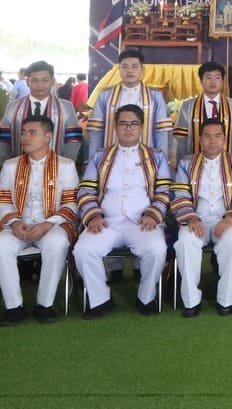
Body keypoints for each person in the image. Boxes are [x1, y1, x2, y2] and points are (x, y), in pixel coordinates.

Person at [73, 105, 172, 319]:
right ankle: (100, 299)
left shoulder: (156, 157)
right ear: (115, 127)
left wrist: (153, 213)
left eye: (134, 124)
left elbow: (164, 190)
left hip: (143, 222)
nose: (128, 128)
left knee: (157, 250)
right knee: (83, 250)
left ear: (142, 127)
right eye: (123, 124)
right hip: (107, 222)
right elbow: (86, 190)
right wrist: (94, 215)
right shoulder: (100, 157)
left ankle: (146, 297)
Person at [0, 112, 80, 326]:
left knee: (57, 244)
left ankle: (44, 305)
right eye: (23, 133)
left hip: (52, 225)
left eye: (32, 133)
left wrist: (48, 224)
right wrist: (14, 222)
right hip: (17, 226)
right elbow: (0, 201)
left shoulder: (66, 165)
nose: (26, 137)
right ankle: (14, 308)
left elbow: (71, 204)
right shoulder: (10, 165)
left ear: (48, 136)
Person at [170, 116, 232, 318]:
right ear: (200, 139)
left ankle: (225, 299)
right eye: (207, 136)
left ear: (225, 139)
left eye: (217, 136)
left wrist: (230, 218)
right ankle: (191, 301)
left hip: (227, 219)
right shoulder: (187, 163)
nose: (212, 141)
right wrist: (191, 218)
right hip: (195, 219)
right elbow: (179, 194)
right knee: (185, 242)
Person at [82, 47, 173, 162]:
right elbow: (97, 130)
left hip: (145, 160)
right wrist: (93, 161)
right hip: (110, 159)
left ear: (142, 69)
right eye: (125, 67)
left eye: (134, 66)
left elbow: (161, 132)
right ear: (119, 69)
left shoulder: (155, 95)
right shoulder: (105, 95)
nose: (130, 71)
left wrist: (162, 161)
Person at [0, 59, 82, 163]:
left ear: (52, 81)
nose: (40, 85)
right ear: (27, 82)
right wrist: (7, 163)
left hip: (56, 166)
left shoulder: (66, 107)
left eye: (45, 80)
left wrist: (66, 164)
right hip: (19, 166)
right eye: (34, 80)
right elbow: (3, 138)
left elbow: (73, 139)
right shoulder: (13, 107)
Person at [172, 61, 232, 164]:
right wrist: (181, 164)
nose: (213, 82)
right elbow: (180, 139)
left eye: (217, 77)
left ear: (223, 81)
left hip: (227, 165)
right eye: (208, 77)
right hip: (194, 164)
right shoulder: (188, 106)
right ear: (201, 80)